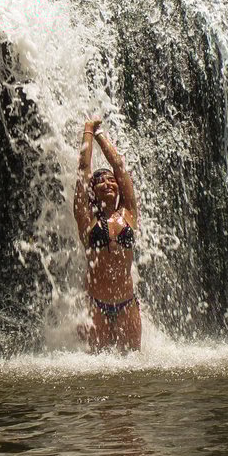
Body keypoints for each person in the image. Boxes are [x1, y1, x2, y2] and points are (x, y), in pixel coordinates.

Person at [73, 116, 141, 352]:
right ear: (93, 190)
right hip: (97, 305)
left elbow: (120, 168)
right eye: (100, 182)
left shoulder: (128, 214)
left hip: (127, 303)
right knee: (97, 368)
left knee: (134, 364)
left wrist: (101, 134)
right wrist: (88, 129)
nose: (108, 184)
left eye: (112, 181)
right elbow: (83, 170)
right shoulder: (87, 222)